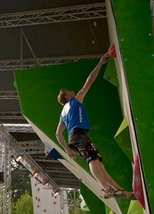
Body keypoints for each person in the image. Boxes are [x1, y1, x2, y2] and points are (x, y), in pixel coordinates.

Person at [55, 52, 133, 199]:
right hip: (78, 135)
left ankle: (119, 189)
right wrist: (99, 64)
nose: (71, 91)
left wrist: (68, 150)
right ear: (66, 97)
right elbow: (89, 81)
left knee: (99, 164)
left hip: (76, 136)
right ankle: (107, 189)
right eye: (68, 91)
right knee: (93, 160)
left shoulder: (63, 113)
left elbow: (58, 134)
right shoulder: (75, 101)